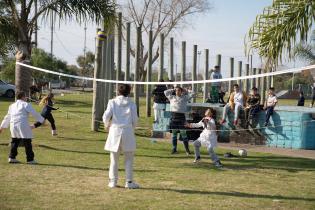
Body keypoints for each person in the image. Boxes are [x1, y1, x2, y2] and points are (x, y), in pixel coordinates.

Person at [102, 84, 139, 189]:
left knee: (114, 158)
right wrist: (133, 127)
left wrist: (106, 125)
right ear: (129, 92)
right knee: (129, 159)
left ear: (117, 91)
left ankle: (113, 181)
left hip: (115, 131)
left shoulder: (112, 102)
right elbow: (135, 120)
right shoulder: (132, 104)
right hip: (127, 131)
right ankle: (129, 182)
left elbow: (106, 116)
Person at [0, 91, 44, 164]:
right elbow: (34, 113)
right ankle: (30, 160)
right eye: (25, 96)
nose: (26, 98)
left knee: (14, 141)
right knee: (27, 142)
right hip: (22, 124)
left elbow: (7, 117)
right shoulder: (26, 104)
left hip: (13, 125)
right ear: (23, 97)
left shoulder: (12, 105)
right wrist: (41, 120)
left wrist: (1, 127)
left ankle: (12, 157)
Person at [164, 86, 195, 154]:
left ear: (181, 91)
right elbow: (165, 92)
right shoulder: (172, 97)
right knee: (174, 134)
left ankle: (187, 150)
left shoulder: (184, 98)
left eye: (179, 90)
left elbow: (193, 94)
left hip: (181, 117)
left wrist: (186, 89)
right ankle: (174, 149)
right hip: (173, 117)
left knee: (183, 133)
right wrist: (173, 89)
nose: (177, 92)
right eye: (176, 90)